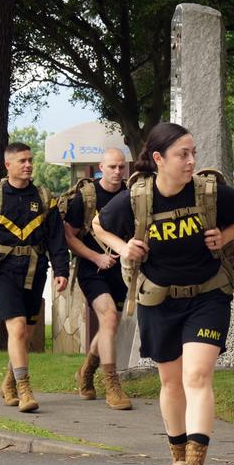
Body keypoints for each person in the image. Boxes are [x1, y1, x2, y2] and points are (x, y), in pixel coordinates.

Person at [93, 123, 234, 465]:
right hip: (159, 300)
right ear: (158, 159)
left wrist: (227, 235)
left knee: (197, 375)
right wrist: (123, 247)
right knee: (170, 383)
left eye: (193, 153)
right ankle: (178, 460)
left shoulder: (208, 191)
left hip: (208, 296)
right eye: (182, 154)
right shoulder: (136, 199)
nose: (191, 161)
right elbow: (98, 226)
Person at [0, 142, 69, 413]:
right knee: (17, 328)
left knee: (26, 333)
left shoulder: (44, 197)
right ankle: (24, 388)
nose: (28, 165)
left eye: (30, 160)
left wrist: (61, 270)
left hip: (35, 269)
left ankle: (8, 382)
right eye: (22, 161)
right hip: (2, 269)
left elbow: (56, 237)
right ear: (8, 165)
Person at [64, 148, 132, 410]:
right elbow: (68, 236)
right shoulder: (86, 197)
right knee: (109, 318)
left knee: (109, 326)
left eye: (121, 167)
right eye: (112, 167)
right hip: (93, 269)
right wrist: (95, 257)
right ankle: (112, 385)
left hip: (122, 269)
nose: (117, 172)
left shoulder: (131, 195)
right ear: (100, 167)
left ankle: (86, 372)